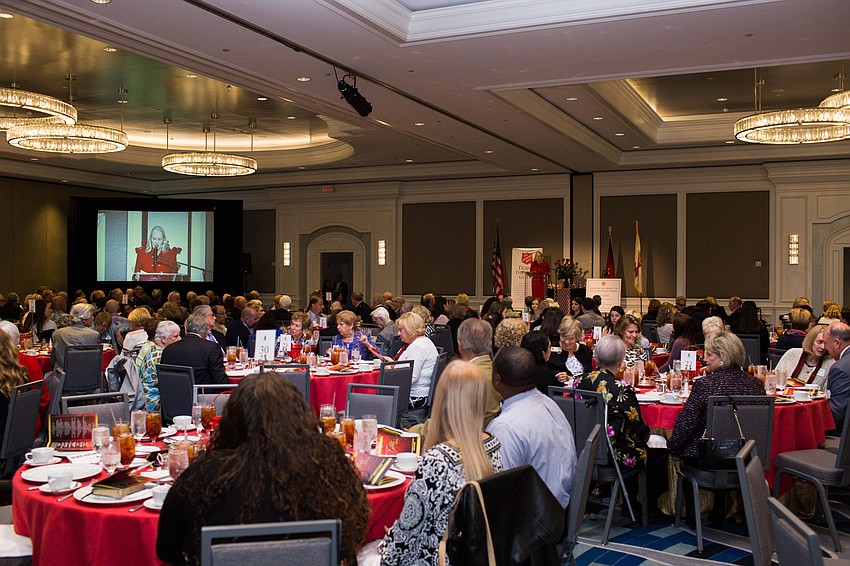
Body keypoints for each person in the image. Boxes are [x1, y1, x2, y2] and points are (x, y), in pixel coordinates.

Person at [157, 373, 369, 565]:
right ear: (299, 417)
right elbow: (355, 532)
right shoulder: (328, 467)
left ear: (232, 421)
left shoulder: (202, 476)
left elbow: (167, 549)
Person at [381, 361, 502, 565]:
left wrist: (386, 542)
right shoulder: (493, 444)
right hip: (475, 554)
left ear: (442, 400)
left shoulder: (437, 461)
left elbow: (402, 543)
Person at [486, 346, 576, 509]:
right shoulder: (551, 404)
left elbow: (500, 492)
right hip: (560, 504)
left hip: (533, 519)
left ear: (496, 379)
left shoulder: (505, 427)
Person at [668, 332, 764, 463]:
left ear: (723, 356)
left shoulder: (705, 384)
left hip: (709, 458)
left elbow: (685, 427)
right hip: (749, 456)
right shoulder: (756, 385)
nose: (704, 359)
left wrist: (673, 450)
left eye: (708, 354)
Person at [575, 334, 650, 471]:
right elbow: (640, 430)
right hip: (615, 455)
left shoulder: (579, 381)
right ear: (621, 359)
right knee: (658, 455)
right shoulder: (621, 388)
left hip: (584, 449)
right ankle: (638, 492)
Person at [377, 312, 438, 408]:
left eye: (401, 330)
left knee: (373, 399)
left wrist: (390, 372)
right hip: (423, 395)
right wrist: (395, 365)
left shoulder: (417, 347)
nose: (398, 334)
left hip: (415, 397)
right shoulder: (424, 341)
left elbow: (412, 377)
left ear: (410, 330)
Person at [160, 314, 228, 385]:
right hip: (203, 394)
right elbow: (220, 381)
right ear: (206, 331)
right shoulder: (212, 348)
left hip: (173, 394)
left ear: (186, 329)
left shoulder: (168, 349)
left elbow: (164, 380)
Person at [774, 324, 834, 391]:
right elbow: (775, 379)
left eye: (826, 343)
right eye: (819, 342)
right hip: (784, 398)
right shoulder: (792, 354)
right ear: (810, 341)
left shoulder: (830, 363)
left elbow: (827, 393)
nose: (823, 347)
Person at [138, 321, 182, 411]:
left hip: (144, 398)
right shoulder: (161, 356)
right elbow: (169, 385)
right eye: (175, 336)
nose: (180, 339)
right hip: (154, 402)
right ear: (164, 339)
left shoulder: (153, 349)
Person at [51, 303, 100, 374]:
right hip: (87, 378)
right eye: (91, 315)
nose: (93, 318)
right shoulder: (94, 335)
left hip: (62, 378)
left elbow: (52, 361)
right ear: (84, 318)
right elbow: (96, 361)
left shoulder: (57, 334)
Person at [824, 322, 850, 432]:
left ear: (837, 343)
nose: (824, 348)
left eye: (825, 343)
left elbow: (836, 415)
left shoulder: (840, 368)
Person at [731, 300, 769, 365]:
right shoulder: (761, 328)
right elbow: (766, 347)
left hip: (740, 361)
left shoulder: (736, 328)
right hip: (759, 362)